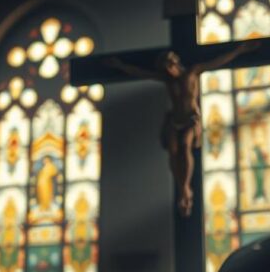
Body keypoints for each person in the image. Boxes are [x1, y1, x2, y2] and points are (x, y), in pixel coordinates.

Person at [104, 41, 259, 217]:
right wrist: (120, 65)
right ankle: (182, 189)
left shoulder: (192, 73)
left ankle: (185, 187)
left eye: (169, 67)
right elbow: (141, 73)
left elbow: (218, 61)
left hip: (191, 119)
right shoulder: (167, 80)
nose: (168, 71)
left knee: (185, 146)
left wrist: (238, 50)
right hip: (175, 119)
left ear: (175, 63)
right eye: (164, 69)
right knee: (172, 150)